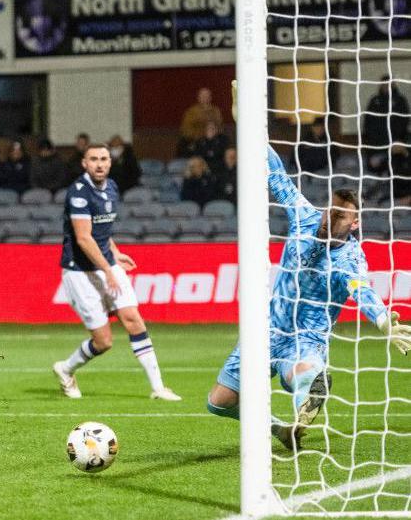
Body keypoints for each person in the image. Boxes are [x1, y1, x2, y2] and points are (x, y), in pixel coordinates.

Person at [207, 82, 411, 450]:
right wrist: (247, 126)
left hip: (308, 336)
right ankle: (280, 428)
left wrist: (383, 322)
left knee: (303, 372)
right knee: (219, 401)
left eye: (346, 218)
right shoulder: (304, 216)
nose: (337, 220)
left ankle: (309, 394)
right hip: (268, 329)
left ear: (355, 224)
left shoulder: (350, 258)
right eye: (335, 213)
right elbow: (275, 174)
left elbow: (361, 291)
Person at [51, 143, 182, 402]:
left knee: (133, 318)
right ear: (84, 164)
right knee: (103, 342)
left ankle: (158, 387)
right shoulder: (79, 193)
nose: (99, 164)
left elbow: (102, 231)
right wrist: (107, 270)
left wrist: (115, 252)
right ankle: (66, 369)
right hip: (79, 272)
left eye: (103, 159)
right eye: (93, 159)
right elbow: (84, 239)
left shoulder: (111, 187)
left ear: (110, 163)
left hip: (106, 264)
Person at [363, 76, 410, 174]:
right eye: (383, 84)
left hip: (396, 144)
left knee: (398, 166)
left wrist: (398, 141)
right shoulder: (375, 101)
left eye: (388, 84)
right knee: (374, 165)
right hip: (377, 144)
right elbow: (368, 123)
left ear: (393, 85)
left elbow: (404, 122)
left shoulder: (400, 100)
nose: (386, 86)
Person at [178, 87, 223, 157]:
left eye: (207, 96)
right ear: (198, 98)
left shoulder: (216, 111)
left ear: (211, 98)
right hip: (195, 141)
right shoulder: (191, 112)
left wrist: (213, 133)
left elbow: (220, 127)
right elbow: (186, 130)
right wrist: (203, 134)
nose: (205, 98)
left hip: (213, 141)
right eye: (203, 96)